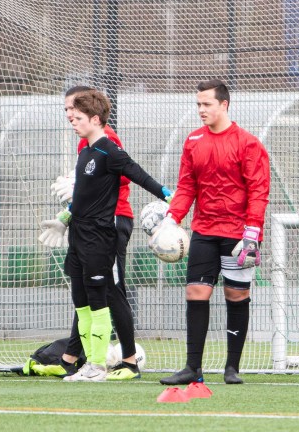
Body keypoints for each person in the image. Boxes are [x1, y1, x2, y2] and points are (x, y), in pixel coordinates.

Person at [39, 90, 173, 381]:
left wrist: (171, 197)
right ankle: (86, 365)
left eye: (77, 117)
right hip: (78, 235)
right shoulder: (85, 151)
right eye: (70, 116)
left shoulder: (109, 150)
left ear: (95, 119)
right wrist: (65, 218)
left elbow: (140, 175)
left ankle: (98, 365)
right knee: (81, 302)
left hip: (101, 236)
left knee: (102, 299)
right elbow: (84, 195)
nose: (72, 121)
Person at [159, 79, 270, 386]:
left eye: (206, 104)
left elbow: (258, 190)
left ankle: (232, 368)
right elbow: (186, 186)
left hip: (238, 234)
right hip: (204, 230)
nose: (201, 109)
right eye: (198, 104)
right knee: (196, 292)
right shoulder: (193, 140)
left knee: (237, 294)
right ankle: (192, 367)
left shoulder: (248, 143)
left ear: (224, 104)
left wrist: (252, 232)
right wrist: (172, 218)